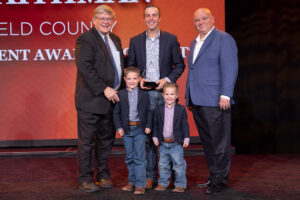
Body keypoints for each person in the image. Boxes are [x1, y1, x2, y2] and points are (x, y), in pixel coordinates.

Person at [127, 4, 185, 189]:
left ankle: (174, 179)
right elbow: (131, 67)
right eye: (148, 15)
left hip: (165, 93)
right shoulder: (135, 41)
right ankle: (151, 177)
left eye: (154, 15)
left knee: (171, 136)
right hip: (144, 95)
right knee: (148, 137)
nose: (151, 18)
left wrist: (167, 80)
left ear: (160, 18)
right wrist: (140, 78)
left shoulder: (171, 39)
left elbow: (180, 65)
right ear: (143, 18)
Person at [185, 8, 238, 194]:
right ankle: (214, 175)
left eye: (204, 18)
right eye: (197, 20)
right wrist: (189, 96)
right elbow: (193, 71)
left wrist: (226, 94)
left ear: (212, 19)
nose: (201, 22)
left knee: (219, 143)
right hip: (198, 99)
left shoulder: (223, 38)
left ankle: (220, 181)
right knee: (208, 143)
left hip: (216, 100)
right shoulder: (194, 42)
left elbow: (230, 67)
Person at [75, 5, 124, 192]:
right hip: (91, 100)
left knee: (105, 141)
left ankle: (103, 175)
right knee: (87, 141)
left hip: (111, 101)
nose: (105, 22)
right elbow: (85, 67)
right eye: (102, 18)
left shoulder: (116, 39)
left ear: (113, 21)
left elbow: (116, 66)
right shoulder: (85, 39)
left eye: (109, 19)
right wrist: (104, 88)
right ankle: (85, 179)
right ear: (94, 20)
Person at [113, 67, 152, 195]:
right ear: (124, 79)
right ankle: (132, 182)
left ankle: (140, 185)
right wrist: (119, 128)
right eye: (129, 78)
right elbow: (116, 113)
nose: (132, 81)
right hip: (127, 130)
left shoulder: (144, 94)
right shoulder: (120, 94)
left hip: (140, 129)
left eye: (135, 78)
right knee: (130, 157)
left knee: (140, 157)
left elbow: (148, 111)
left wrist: (148, 125)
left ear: (139, 79)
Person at [152, 82, 190, 193]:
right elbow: (155, 124)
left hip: (176, 143)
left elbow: (185, 124)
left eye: (172, 94)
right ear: (163, 95)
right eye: (167, 94)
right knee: (163, 165)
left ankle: (180, 184)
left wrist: (186, 138)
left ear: (177, 95)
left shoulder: (181, 109)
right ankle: (163, 183)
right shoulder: (158, 109)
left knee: (178, 165)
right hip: (163, 143)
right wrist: (155, 137)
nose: (169, 96)